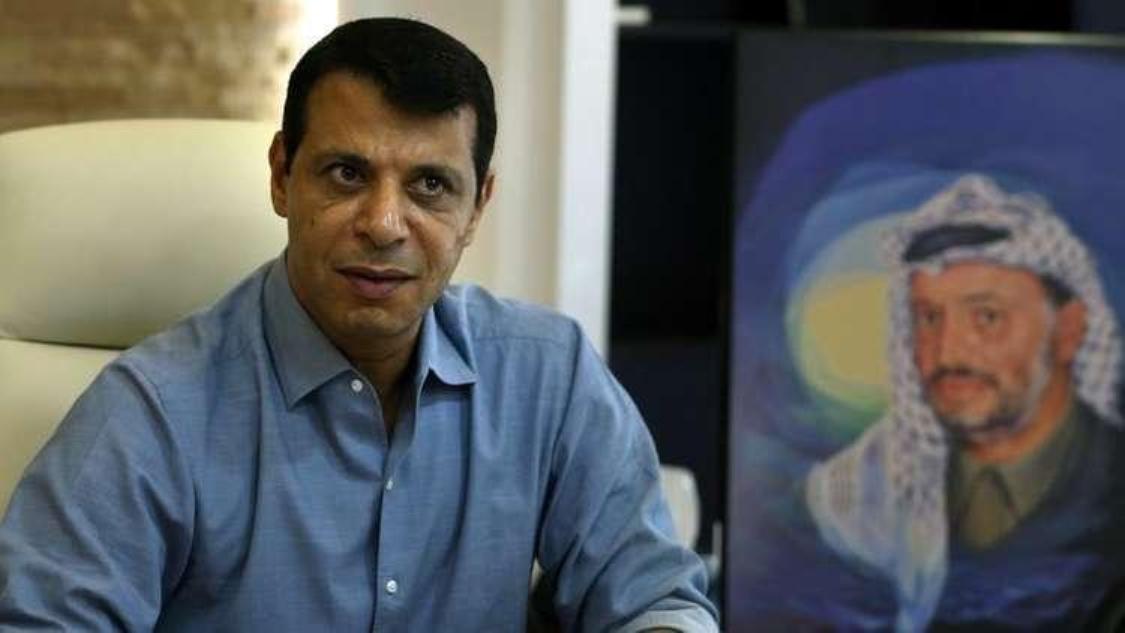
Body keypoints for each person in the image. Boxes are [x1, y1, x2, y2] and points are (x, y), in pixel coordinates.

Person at [0, 18, 717, 632]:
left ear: (477, 206)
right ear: (281, 176)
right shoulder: (150, 411)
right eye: (346, 173)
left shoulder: (547, 375)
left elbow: (654, 596)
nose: (383, 224)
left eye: (430, 185)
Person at [804, 174, 1125, 631]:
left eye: (986, 317)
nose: (948, 352)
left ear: (1069, 330)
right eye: (929, 318)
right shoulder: (865, 493)